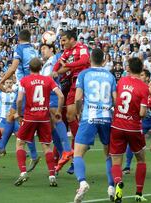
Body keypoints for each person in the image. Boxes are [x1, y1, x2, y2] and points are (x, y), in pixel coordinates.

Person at [72, 48, 116, 202]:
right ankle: (111, 187)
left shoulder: (84, 74)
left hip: (88, 118)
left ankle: (82, 182)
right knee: (109, 154)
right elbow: (115, 100)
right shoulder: (110, 76)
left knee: (77, 153)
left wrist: (78, 112)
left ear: (90, 59)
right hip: (106, 119)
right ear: (104, 60)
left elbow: (78, 98)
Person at [13, 57, 64, 187]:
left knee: (20, 143)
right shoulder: (48, 80)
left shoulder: (24, 80)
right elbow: (61, 96)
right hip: (44, 118)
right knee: (46, 146)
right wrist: (58, 111)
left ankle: (23, 172)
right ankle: (52, 175)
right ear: (41, 67)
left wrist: (19, 113)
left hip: (30, 117)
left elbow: (19, 100)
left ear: (29, 68)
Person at [0, 29, 40, 172]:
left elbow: (13, 67)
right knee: (14, 118)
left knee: (17, 120)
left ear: (19, 39)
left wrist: (2, 80)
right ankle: (2, 146)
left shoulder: (20, 48)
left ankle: (2, 147)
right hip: (34, 86)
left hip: (25, 87)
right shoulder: (34, 50)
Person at [109, 57, 149, 203]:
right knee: (141, 160)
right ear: (142, 68)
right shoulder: (144, 87)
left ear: (128, 68)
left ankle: (118, 182)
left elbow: (116, 99)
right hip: (133, 128)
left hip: (117, 125)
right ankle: (138, 194)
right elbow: (143, 113)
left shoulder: (122, 81)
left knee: (116, 162)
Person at [52, 29, 90, 173]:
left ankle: (81, 141)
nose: (62, 43)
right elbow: (57, 66)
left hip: (79, 82)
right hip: (67, 85)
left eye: (64, 40)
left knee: (69, 116)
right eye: (61, 41)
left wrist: (68, 66)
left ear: (72, 39)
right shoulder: (67, 52)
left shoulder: (81, 48)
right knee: (61, 121)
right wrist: (52, 74)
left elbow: (85, 61)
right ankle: (58, 162)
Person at [40, 43, 72, 171]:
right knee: (51, 127)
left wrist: (57, 72)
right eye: (41, 49)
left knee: (57, 119)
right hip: (45, 95)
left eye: (44, 48)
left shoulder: (57, 57)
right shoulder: (45, 64)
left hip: (53, 92)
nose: (42, 51)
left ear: (51, 49)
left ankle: (67, 150)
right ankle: (61, 155)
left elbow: (67, 67)